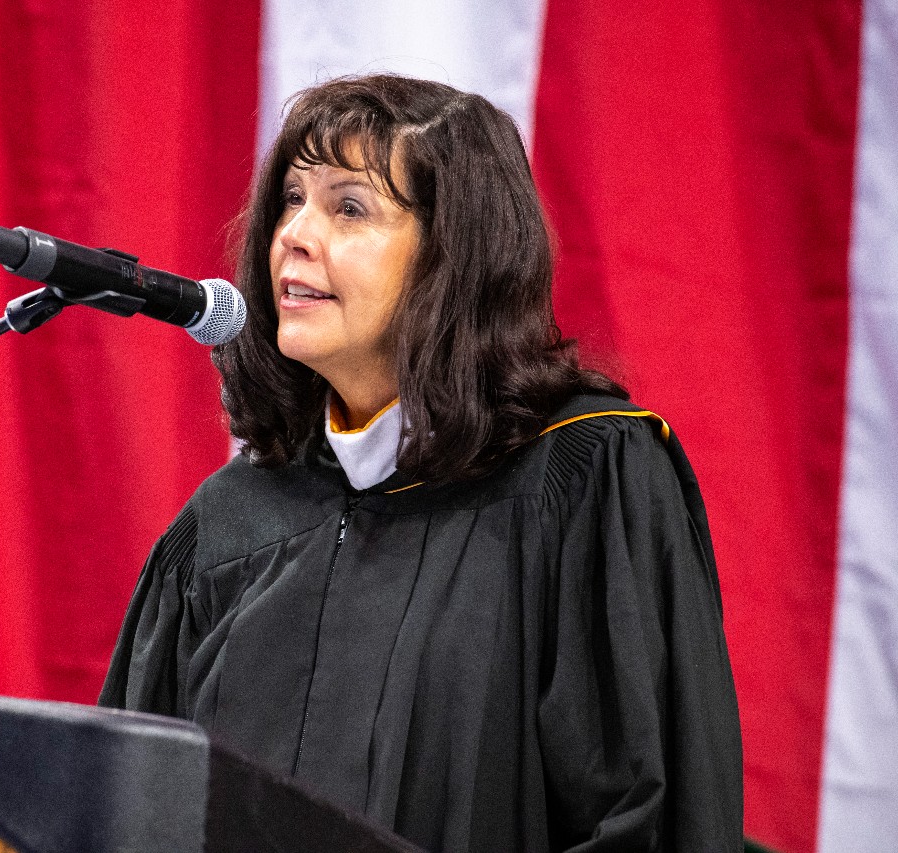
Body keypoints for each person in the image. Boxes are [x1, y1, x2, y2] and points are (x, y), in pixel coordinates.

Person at [99, 74, 743, 851]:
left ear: (454, 255)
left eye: (349, 206)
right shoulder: (226, 528)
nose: (294, 234)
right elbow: (130, 814)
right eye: (292, 199)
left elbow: (645, 817)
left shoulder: (579, 479)